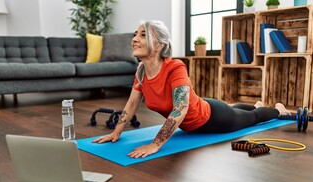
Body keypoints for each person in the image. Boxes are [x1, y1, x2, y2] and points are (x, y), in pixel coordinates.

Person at [92, 20, 290, 158]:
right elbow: (133, 102)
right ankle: (252, 105)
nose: (134, 38)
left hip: (214, 118)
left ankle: (278, 110)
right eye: (135, 34)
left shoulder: (175, 67)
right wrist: (116, 133)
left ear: (160, 45)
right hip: (195, 119)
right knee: (238, 110)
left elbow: (180, 108)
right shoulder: (141, 71)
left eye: (143, 35)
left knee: (253, 118)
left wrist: (155, 144)